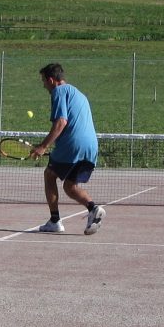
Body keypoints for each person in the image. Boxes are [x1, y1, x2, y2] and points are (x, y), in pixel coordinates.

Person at [28, 63, 107, 235]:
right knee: (69, 185)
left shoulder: (59, 91)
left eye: (43, 81)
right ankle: (93, 208)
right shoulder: (78, 94)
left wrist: (43, 146)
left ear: (51, 80)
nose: (44, 85)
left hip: (74, 145)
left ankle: (55, 221)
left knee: (49, 175)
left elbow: (61, 122)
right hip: (91, 147)